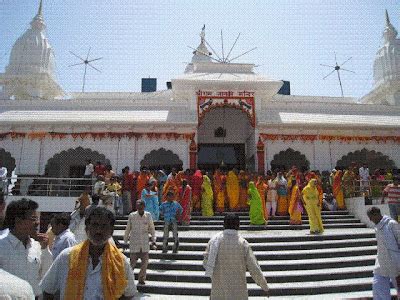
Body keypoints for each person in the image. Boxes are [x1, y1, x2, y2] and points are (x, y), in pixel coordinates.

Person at [40, 206, 137, 299]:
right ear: (86, 229)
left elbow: (129, 294)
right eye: (95, 225)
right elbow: (48, 290)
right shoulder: (66, 257)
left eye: (104, 226)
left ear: (111, 232)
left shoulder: (121, 262)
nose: (99, 231)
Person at [203, 213, 269, 299]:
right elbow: (254, 268)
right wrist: (264, 286)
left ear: (224, 225)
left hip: (219, 292)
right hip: (238, 292)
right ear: (238, 225)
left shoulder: (214, 241)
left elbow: (206, 263)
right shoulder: (243, 244)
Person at [0, 198, 52, 297]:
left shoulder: (36, 246)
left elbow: (46, 275)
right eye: (33, 219)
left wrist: (45, 249)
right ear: (18, 221)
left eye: (37, 219)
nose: (37, 223)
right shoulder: (2, 245)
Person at [367, 207, 400, 299]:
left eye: (370, 217)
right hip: (381, 262)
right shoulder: (377, 228)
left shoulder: (392, 224)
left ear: (376, 215)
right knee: (377, 285)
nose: (370, 220)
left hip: (395, 262)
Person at [124, 200, 156, 285]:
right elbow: (128, 229)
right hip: (134, 242)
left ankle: (141, 278)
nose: (139, 208)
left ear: (144, 207)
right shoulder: (132, 216)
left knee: (145, 263)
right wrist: (125, 241)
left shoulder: (148, 215)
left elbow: (152, 228)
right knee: (132, 263)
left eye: (141, 207)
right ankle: (128, 280)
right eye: (138, 207)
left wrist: (154, 240)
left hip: (144, 243)